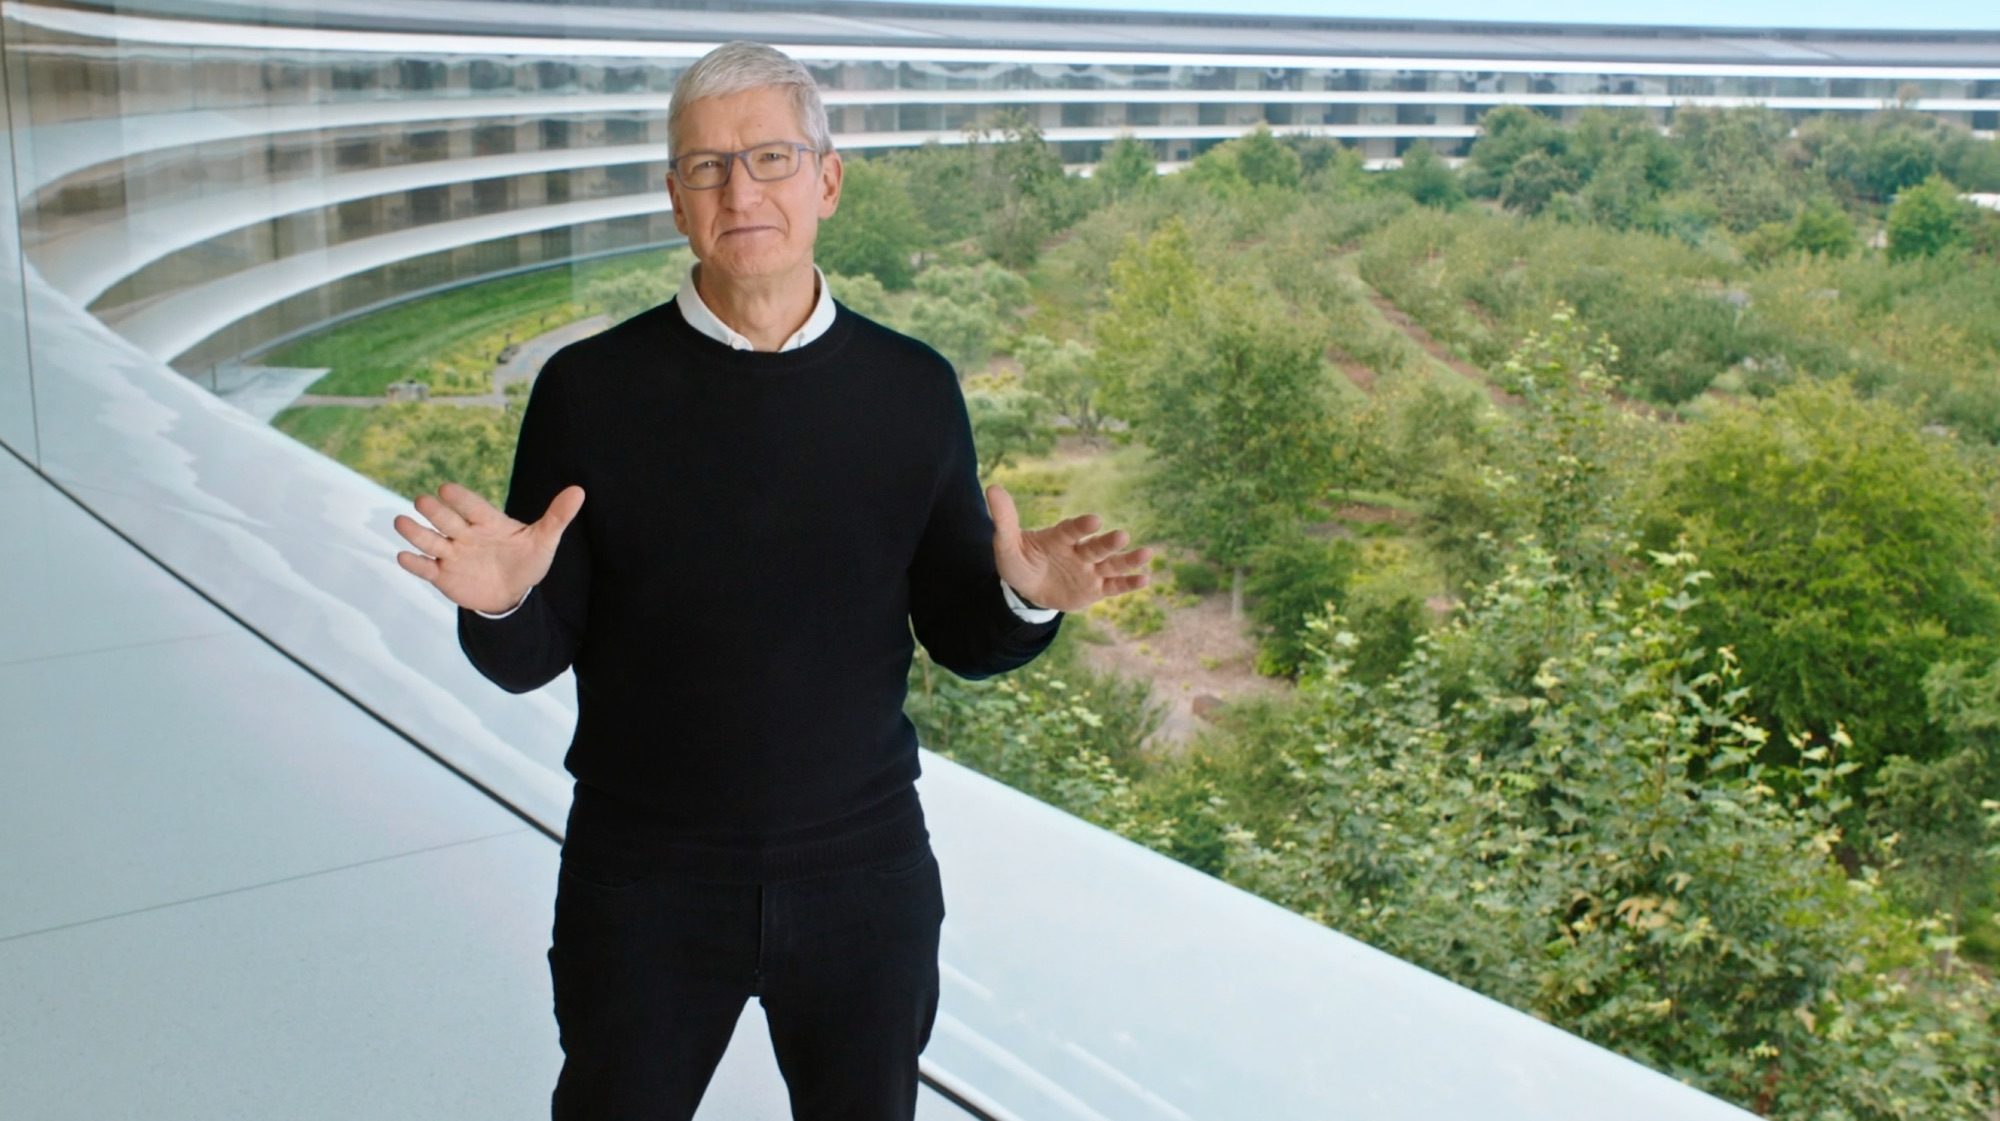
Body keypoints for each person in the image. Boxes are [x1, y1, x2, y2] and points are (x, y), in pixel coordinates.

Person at [390, 39, 1153, 1121]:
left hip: (864, 874)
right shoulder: (589, 390)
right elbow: (530, 656)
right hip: (642, 875)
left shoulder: (911, 389)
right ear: (673, 196)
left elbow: (958, 635)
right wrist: (504, 600)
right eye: (705, 166)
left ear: (827, 182)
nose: (738, 189)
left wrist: (1026, 597)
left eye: (769, 158)